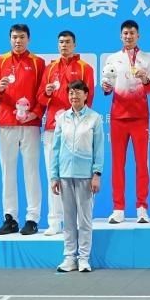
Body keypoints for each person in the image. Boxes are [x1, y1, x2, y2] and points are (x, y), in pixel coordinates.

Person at [0, 23, 45, 236]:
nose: (18, 41)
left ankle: (32, 218)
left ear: (28, 39)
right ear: (9, 39)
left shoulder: (38, 63)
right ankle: (10, 218)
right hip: (6, 123)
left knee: (31, 171)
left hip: (30, 124)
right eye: (14, 37)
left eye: (21, 37)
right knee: (8, 172)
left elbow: (42, 94)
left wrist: (35, 113)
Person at [37, 30, 94, 235]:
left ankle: (80, 221)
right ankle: (54, 221)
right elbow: (40, 99)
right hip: (53, 128)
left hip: (77, 130)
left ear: (75, 44)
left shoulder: (85, 68)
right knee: (53, 175)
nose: (64, 45)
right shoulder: (50, 68)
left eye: (68, 42)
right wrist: (47, 93)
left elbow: (89, 98)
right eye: (61, 42)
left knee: (79, 176)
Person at [102, 20, 150, 224]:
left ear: (138, 35)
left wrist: (145, 80)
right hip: (118, 117)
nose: (128, 36)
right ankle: (118, 209)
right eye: (125, 33)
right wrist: (106, 87)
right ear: (120, 36)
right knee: (118, 164)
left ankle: (142, 208)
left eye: (132, 33)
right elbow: (107, 88)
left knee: (142, 164)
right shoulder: (112, 59)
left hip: (140, 117)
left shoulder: (148, 60)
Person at [50, 80, 104, 273]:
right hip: (65, 175)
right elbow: (56, 149)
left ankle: (83, 258)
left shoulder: (94, 118)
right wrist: (54, 176)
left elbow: (99, 149)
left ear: (86, 95)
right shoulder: (62, 118)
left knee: (85, 220)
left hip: (85, 176)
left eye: (78, 92)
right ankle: (69, 258)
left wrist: (96, 174)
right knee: (69, 219)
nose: (74, 96)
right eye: (71, 93)